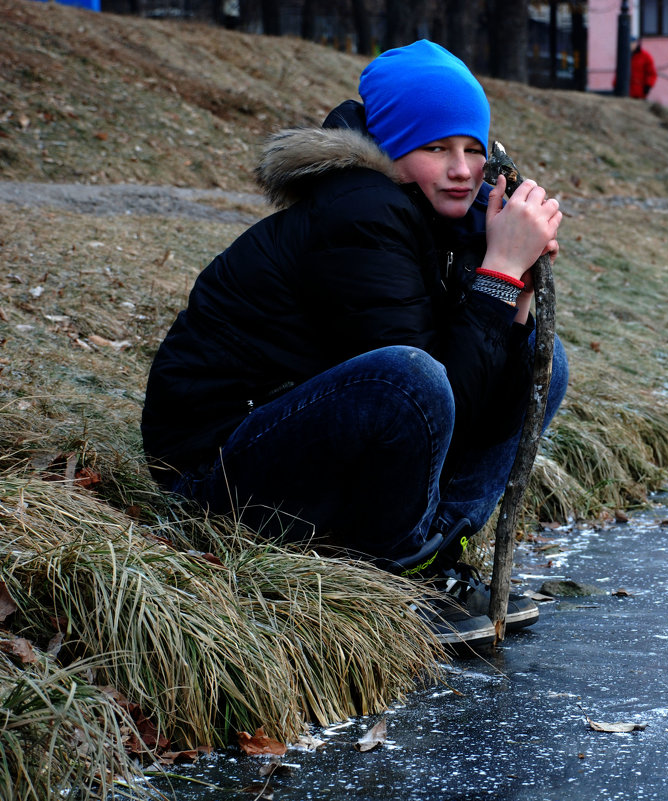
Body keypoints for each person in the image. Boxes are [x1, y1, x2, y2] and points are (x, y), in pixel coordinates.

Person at [140, 40, 568, 649]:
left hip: (303, 445)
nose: (463, 170)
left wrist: (516, 291)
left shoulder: (444, 221)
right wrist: (496, 273)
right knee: (409, 379)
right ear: (390, 151)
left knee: (541, 366)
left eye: (473, 148)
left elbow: (468, 406)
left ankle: (433, 555)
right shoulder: (360, 212)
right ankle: (402, 564)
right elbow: (432, 396)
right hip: (216, 472)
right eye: (435, 148)